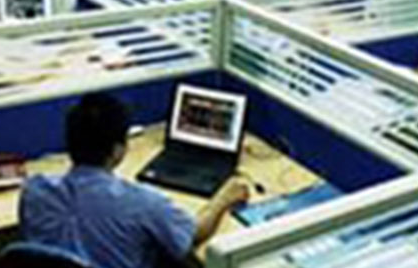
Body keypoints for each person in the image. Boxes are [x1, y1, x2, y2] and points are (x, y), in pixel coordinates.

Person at [19, 93, 249, 268]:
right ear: (118, 150)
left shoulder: (34, 191)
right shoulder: (142, 204)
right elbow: (190, 236)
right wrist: (224, 198)